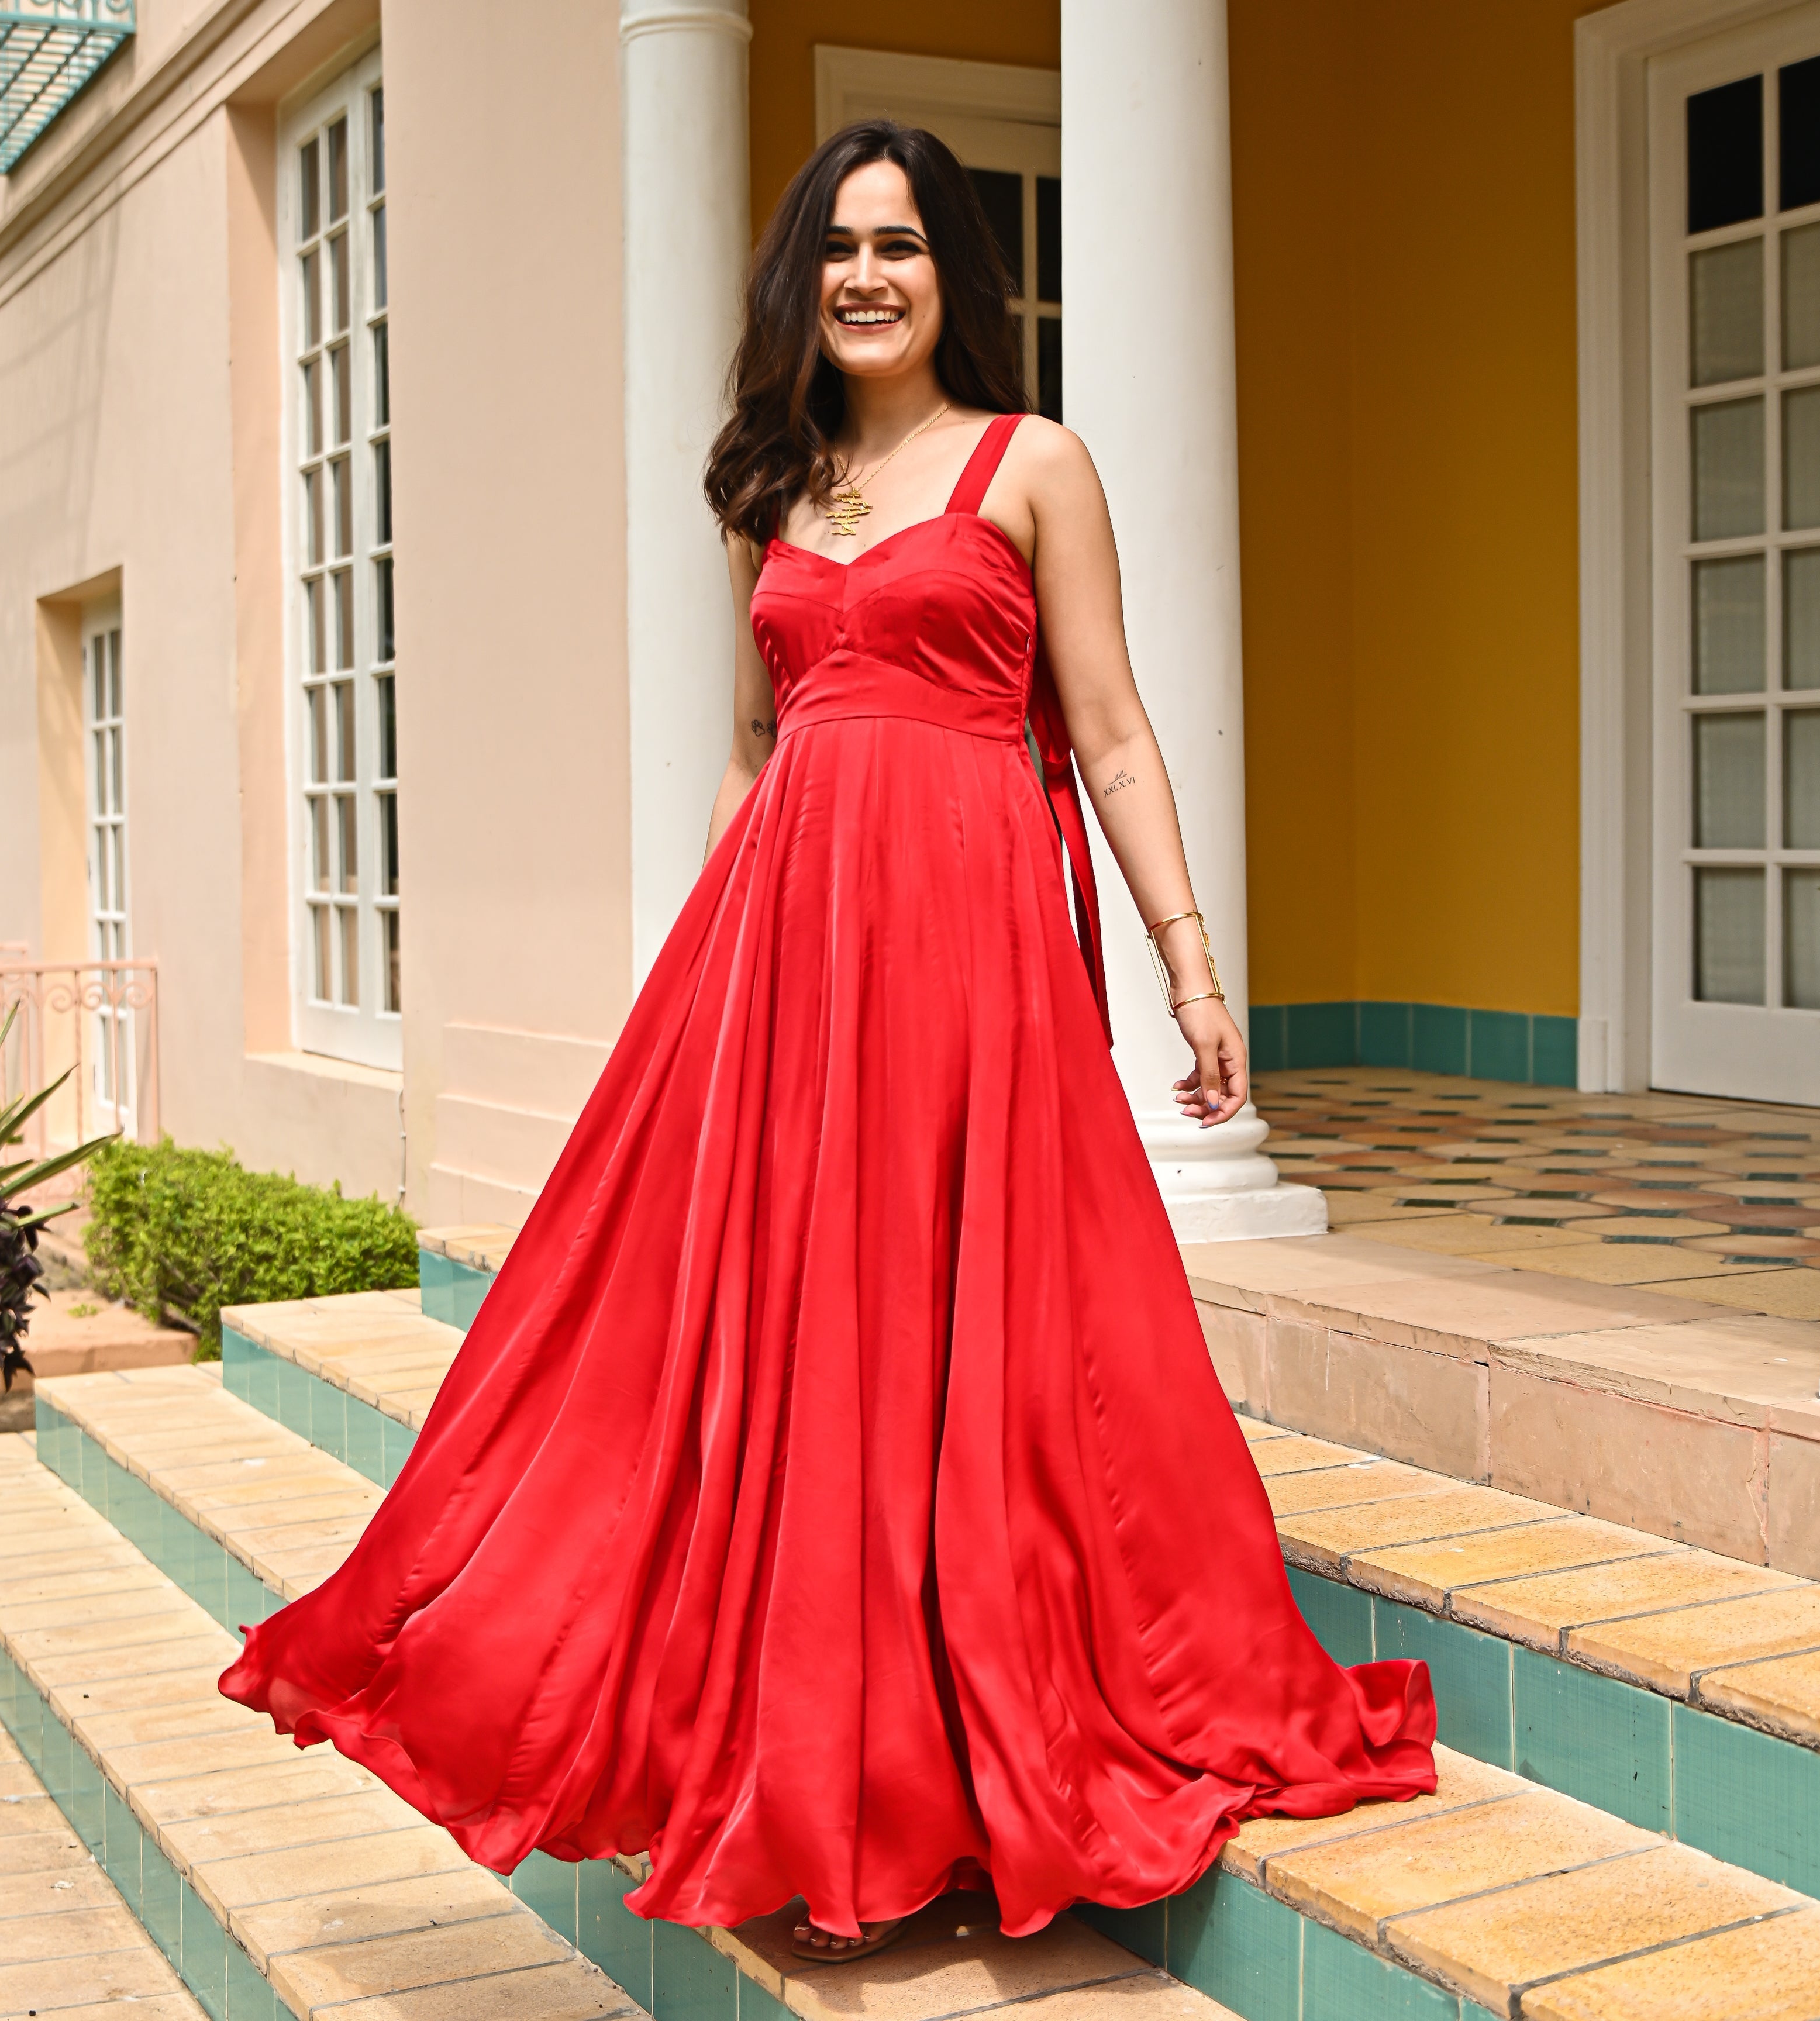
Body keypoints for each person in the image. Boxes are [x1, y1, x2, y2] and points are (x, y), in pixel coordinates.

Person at [219, 118, 1436, 1967]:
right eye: (839, 248)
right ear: (804, 281)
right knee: (796, 1352)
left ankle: (972, 1753)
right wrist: (707, 972)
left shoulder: (1036, 465)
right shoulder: (769, 490)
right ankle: (823, 1776)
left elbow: (1105, 731)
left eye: (905, 243)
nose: (870, 275)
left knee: (998, 1350)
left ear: (956, 270)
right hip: (790, 963)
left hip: (975, 957)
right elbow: (752, 743)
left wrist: (1194, 968)